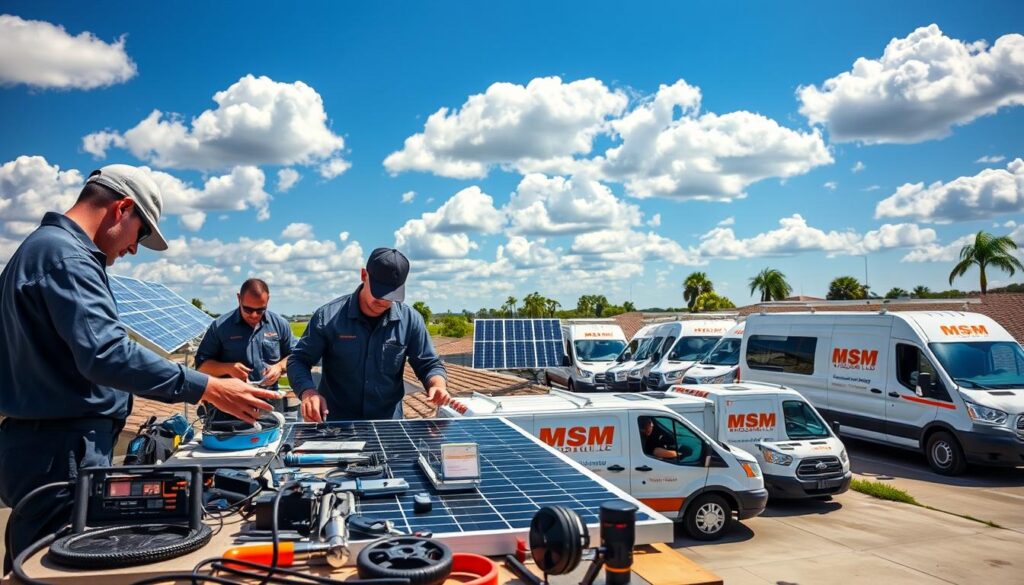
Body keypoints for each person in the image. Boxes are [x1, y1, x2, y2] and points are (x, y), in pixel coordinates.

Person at [0, 165, 279, 572]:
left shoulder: (45, 250)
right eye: (141, 234)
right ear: (122, 208)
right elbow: (108, 353)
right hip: (59, 454)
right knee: (58, 574)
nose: (133, 249)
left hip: (52, 449)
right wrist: (209, 388)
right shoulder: (66, 257)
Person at [287, 247, 450, 421]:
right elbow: (298, 360)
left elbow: (428, 364)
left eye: (391, 295)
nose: (383, 301)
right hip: (337, 424)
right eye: (379, 292)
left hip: (388, 426)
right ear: (364, 275)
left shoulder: (410, 320)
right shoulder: (327, 317)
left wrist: (437, 384)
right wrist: (308, 392)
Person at [195, 278, 294, 412]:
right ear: (239, 298)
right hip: (229, 407)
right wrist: (228, 368)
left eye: (260, 310)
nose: (254, 315)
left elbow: (295, 356)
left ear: (268, 300)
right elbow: (201, 368)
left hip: (269, 406)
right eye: (248, 309)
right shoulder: (220, 327)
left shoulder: (279, 325)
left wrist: (279, 367)